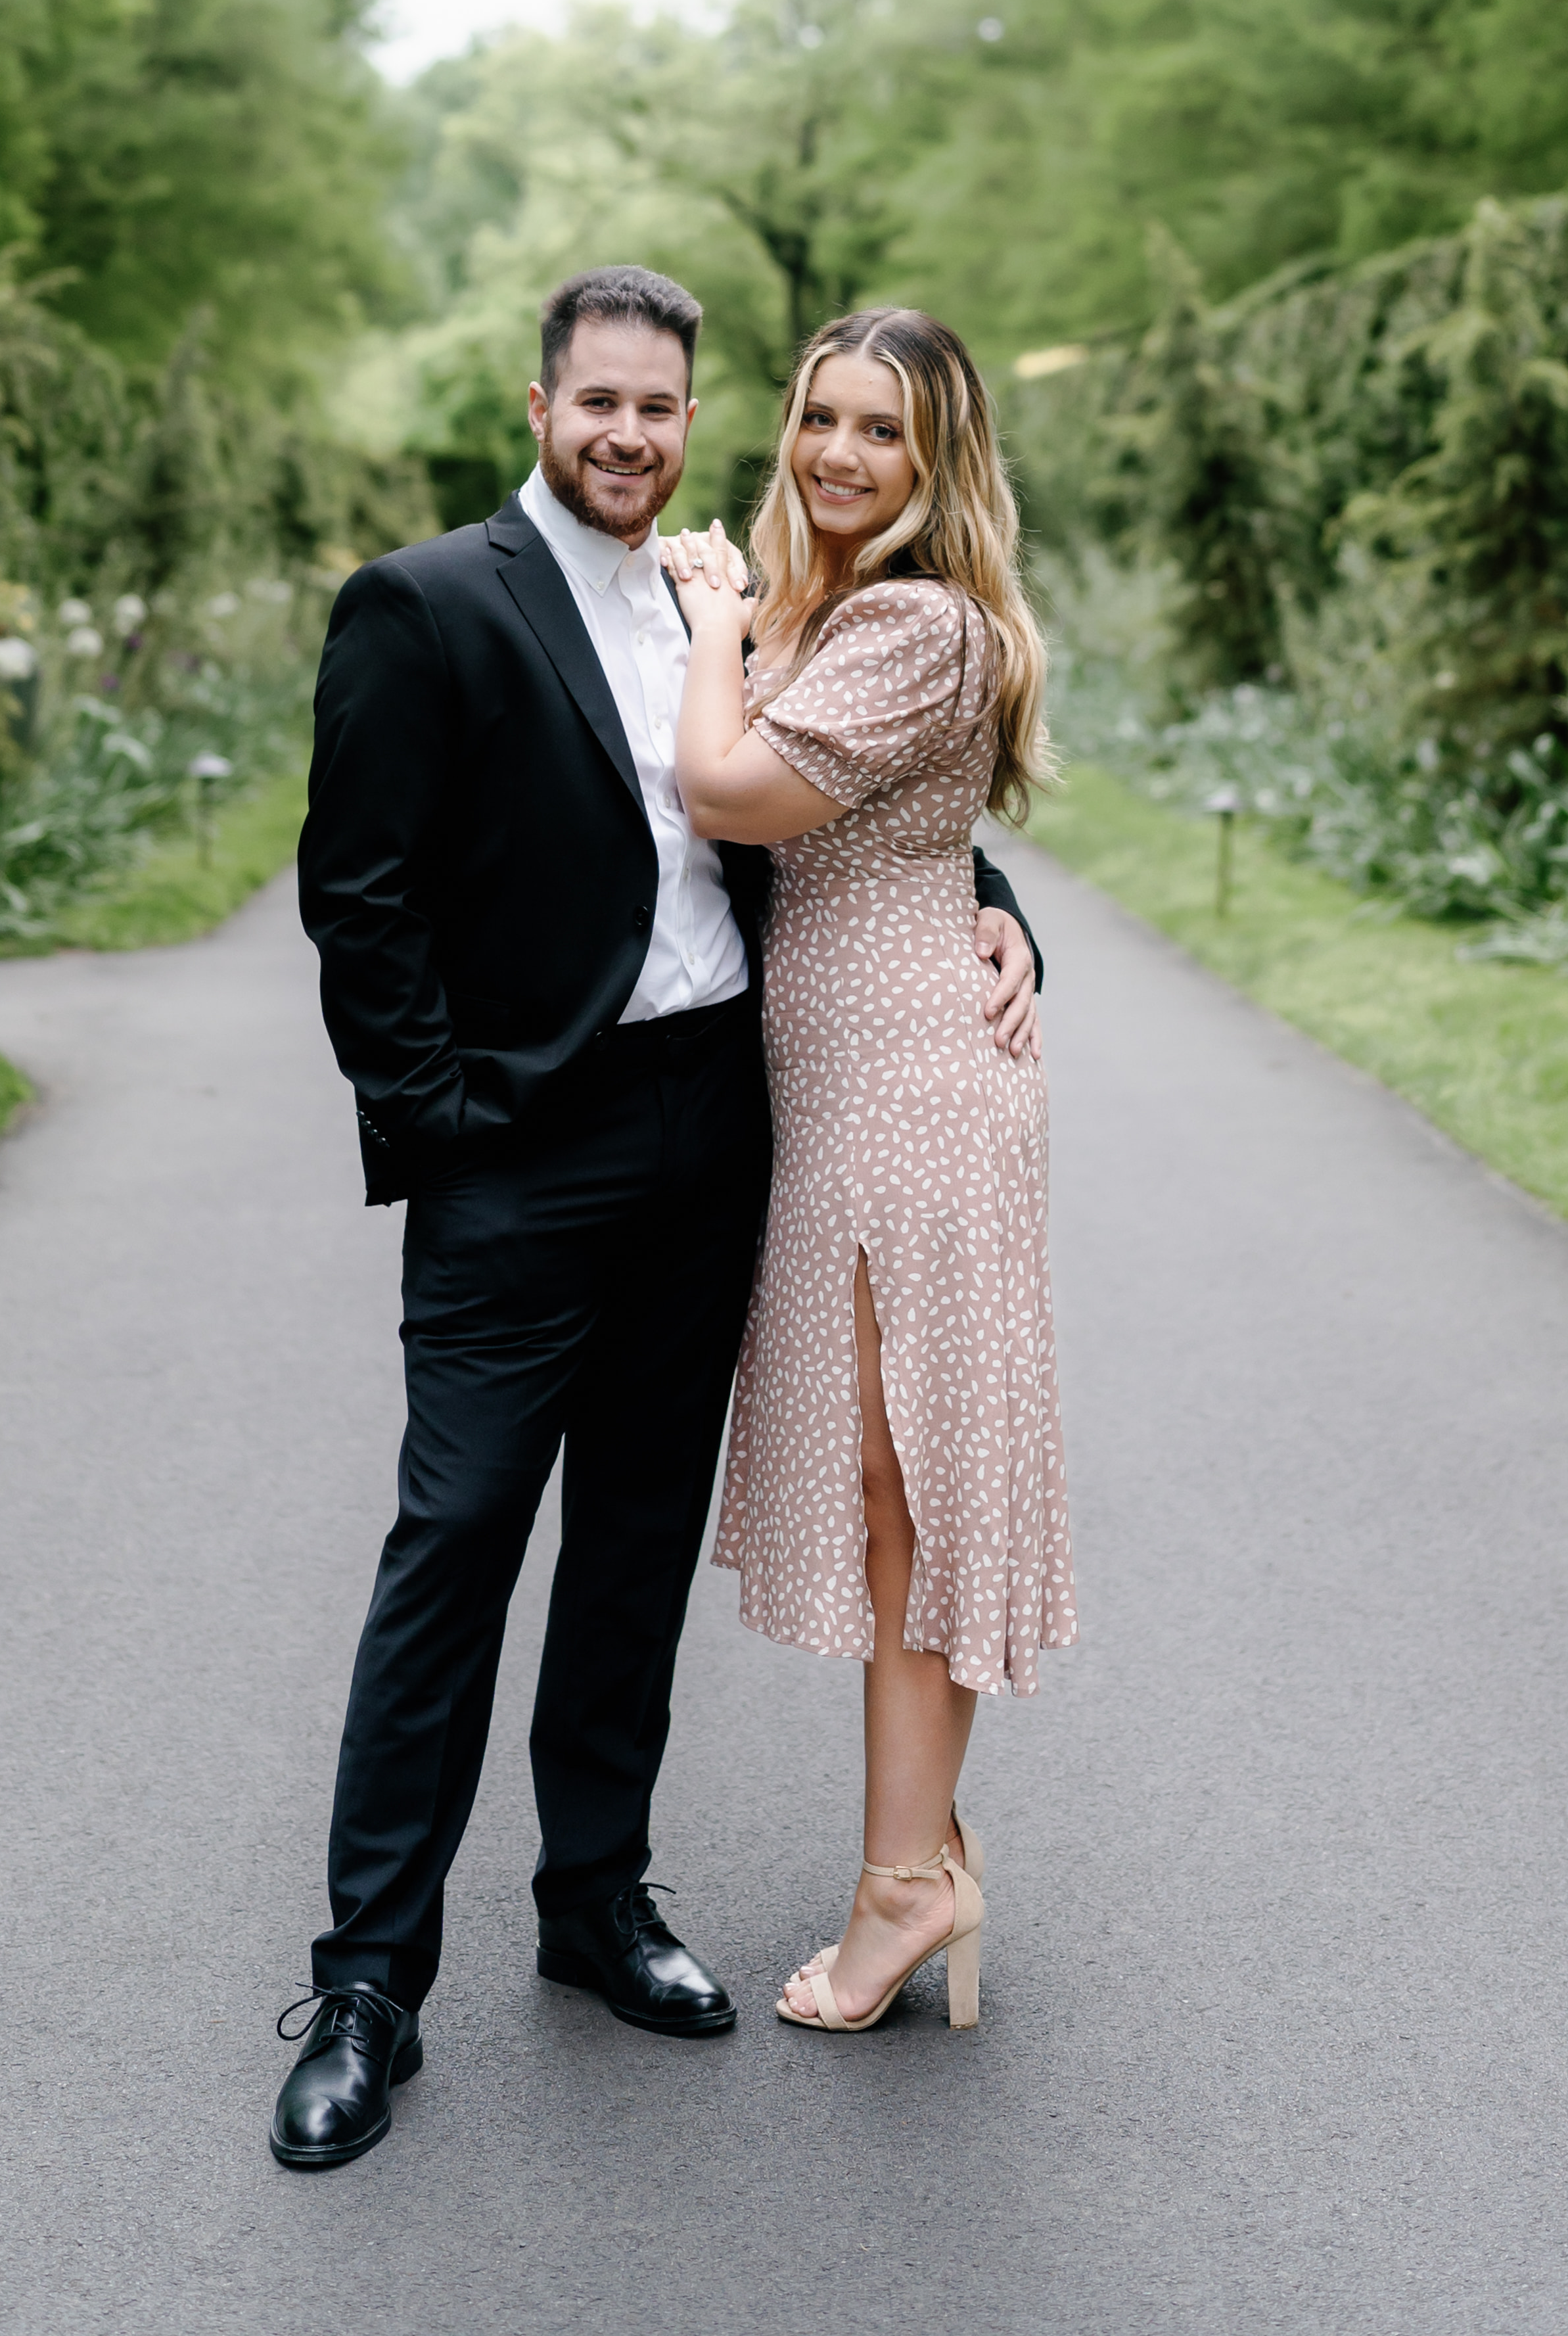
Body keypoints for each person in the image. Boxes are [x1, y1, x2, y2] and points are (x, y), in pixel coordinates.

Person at [276, 263, 1046, 2170]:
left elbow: (888, 806)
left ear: (693, 423)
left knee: (631, 1549)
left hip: (721, 1142)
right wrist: (442, 1128)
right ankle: (371, 1979)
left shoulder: (751, 599)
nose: (631, 433)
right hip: (517, 1157)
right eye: (597, 402)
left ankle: (594, 1901)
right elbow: (356, 896)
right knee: (453, 1544)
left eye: (661, 406)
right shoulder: (431, 602)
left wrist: (1012, 919)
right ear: (538, 409)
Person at [666, 304, 1076, 2037]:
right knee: (893, 1492)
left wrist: (710, 626)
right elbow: (931, 839)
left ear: (940, 460)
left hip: (910, 1094)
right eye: (820, 419)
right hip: (850, 1087)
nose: (839, 454)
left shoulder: (909, 619)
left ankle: (903, 1886)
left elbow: (729, 792)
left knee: (911, 1489)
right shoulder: (849, 608)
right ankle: (923, 1852)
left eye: (882, 432)